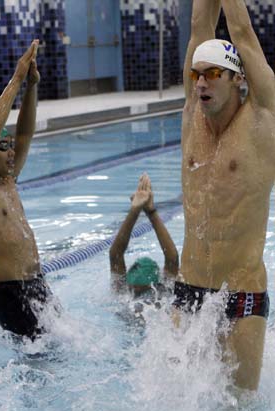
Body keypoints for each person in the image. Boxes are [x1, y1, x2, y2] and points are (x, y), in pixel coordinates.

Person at [177, 0, 275, 390]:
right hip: (188, 289)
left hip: (242, 296)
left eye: (213, 74)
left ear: (237, 78)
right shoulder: (191, 116)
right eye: (197, 74)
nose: (201, 83)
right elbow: (199, 22)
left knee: (240, 410)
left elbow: (244, 33)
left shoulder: (263, 119)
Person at [0, 40, 59, 340]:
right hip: (10, 293)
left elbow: (24, 132)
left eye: (10, 147)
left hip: (37, 285)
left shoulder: (8, 181)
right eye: (2, 148)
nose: (11, 152)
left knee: (55, 355)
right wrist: (16, 79)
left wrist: (32, 86)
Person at [109, 173, 179, 305]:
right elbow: (172, 258)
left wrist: (135, 210)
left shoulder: (123, 291)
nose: (137, 295)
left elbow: (115, 254)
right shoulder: (165, 291)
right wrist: (151, 212)